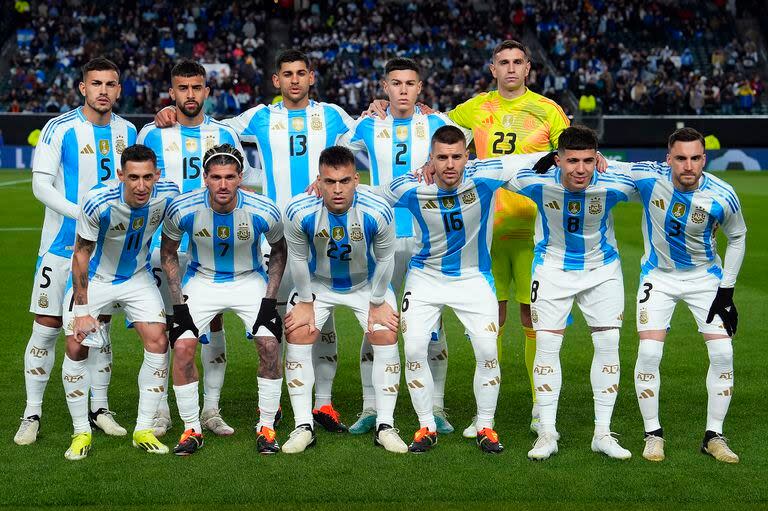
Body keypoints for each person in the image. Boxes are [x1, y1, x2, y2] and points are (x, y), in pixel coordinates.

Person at [367, 40, 572, 437]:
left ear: (528, 67)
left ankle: (537, 407)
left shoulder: (549, 110)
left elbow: (571, 152)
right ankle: (476, 415)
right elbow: (433, 123)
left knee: (534, 319)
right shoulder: (472, 108)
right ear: (492, 68)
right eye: (503, 63)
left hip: (533, 231)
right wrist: (384, 108)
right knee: (490, 323)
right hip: (483, 232)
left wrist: (595, 156)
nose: (511, 69)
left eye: (518, 62)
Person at [155, 49, 354, 432]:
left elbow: (366, 130)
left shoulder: (332, 114)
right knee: (275, 322)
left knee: (320, 322)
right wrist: (171, 113)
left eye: (301, 73)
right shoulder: (259, 116)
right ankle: (271, 404)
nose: (294, 80)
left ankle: (323, 403)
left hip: (325, 231)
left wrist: (391, 107)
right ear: (276, 80)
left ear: (311, 77)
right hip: (275, 234)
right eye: (286, 74)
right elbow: (213, 128)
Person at [370, 126, 546, 454]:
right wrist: (320, 190)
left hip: (473, 278)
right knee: (415, 349)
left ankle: (486, 425)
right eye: (441, 158)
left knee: (488, 352)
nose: (449, 164)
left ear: (468, 157)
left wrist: (594, 157)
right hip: (425, 278)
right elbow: (368, 194)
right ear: (430, 160)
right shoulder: (411, 186)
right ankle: (426, 425)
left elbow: (534, 158)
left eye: (456, 156)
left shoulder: (486, 174)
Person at [340, 57, 472, 435]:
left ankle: (438, 408)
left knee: (431, 326)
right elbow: (334, 149)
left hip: (425, 239)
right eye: (395, 84)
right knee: (374, 322)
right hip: (377, 237)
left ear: (420, 88)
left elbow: (468, 145)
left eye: (409, 84)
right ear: (385, 88)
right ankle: (370, 407)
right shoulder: (367, 123)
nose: (402, 90)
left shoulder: (436, 122)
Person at [489, 126, 634, 461]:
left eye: (587, 160)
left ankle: (602, 433)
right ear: (558, 160)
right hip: (552, 269)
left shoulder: (614, 181)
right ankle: (547, 432)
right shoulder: (535, 182)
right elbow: (492, 167)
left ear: (596, 158)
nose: (580, 169)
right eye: (571, 161)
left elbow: (658, 179)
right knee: (548, 346)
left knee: (608, 345)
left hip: (602, 271)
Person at [15, 57, 136, 445]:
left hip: (106, 252)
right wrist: (83, 214)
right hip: (60, 247)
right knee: (47, 329)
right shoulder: (59, 128)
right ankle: (32, 413)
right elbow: (41, 186)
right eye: (96, 83)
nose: (103, 90)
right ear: (82, 87)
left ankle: (99, 409)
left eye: (111, 84)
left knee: (98, 330)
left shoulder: (128, 130)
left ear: (119, 89)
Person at [138, 59, 255, 438]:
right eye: (182, 88)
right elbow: (138, 185)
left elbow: (244, 185)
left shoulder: (224, 134)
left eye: (197, 87)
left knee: (213, 322)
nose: (190, 95)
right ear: (172, 93)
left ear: (207, 91)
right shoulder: (152, 133)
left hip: (211, 244)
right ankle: (161, 411)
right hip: (162, 244)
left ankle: (211, 409)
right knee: (165, 329)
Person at [627, 128, 746, 463]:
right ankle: (653, 435)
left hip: (705, 278)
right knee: (649, 353)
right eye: (681, 158)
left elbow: (738, 237)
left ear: (704, 159)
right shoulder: (649, 177)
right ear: (669, 159)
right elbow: (605, 166)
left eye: (695, 158)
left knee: (723, 353)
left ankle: (713, 436)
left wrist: (727, 290)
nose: (688, 165)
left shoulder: (723, 195)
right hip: (658, 277)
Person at [160, 144, 286, 455]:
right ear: (204, 178)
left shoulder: (263, 209)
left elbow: (280, 251)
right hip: (202, 280)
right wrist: (178, 307)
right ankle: (192, 427)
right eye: (216, 177)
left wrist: (269, 302)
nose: (223, 185)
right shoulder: (183, 209)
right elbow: (168, 253)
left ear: (240, 177)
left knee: (269, 344)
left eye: (230, 177)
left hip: (249, 279)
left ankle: (267, 426)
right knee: (183, 345)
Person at [281, 146, 406, 454]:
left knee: (385, 333)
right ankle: (303, 426)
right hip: (318, 284)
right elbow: (297, 259)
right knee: (299, 330)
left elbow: (386, 259)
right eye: (329, 182)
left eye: (345, 181)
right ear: (318, 182)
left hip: (367, 284)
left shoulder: (378, 211)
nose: (337, 189)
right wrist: (306, 302)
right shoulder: (299, 210)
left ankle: (385, 426)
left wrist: (378, 301)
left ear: (356, 180)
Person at [60, 144, 178, 460]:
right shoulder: (98, 202)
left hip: (137, 278)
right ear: (120, 175)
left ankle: (143, 429)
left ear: (158, 175)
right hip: (96, 279)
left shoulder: (168, 193)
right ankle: (81, 432)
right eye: (134, 177)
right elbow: (81, 255)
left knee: (158, 341)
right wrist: (83, 311)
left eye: (148, 177)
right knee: (76, 346)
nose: (141, 186)